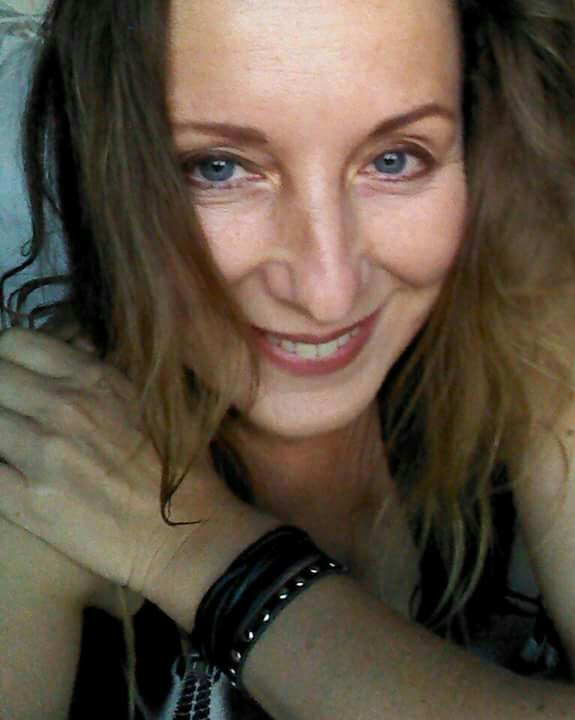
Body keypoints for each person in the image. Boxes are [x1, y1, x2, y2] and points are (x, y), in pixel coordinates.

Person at [0, 0, 574, 718]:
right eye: (218, 168)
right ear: (107, 168)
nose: (327, 293)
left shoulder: (529, 320)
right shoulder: (34, 484)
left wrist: (213, 560)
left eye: (395, 159)